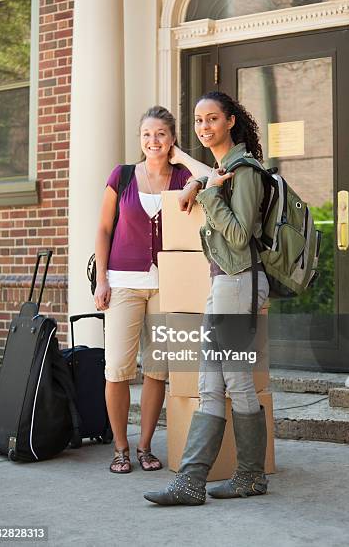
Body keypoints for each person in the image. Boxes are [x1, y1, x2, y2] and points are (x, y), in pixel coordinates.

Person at [144, 91, 270, 505]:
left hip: (239, 283)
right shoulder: (222, 169)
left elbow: (239, 234)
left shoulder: (245, 171)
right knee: (208, 382)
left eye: (212, 119)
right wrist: (200, 182)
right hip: (224, 284)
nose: (204, 127)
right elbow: (211, 185)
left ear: (230, 121)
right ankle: (191, 481)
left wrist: (207, 193)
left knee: (234, 380)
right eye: (199, 121)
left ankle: (250, 476)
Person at [94, 106, 193, 474]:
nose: (153, 141)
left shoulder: (185, 176)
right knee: (118, 368)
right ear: (140, 139)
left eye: (161, 135)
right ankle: (120, 447)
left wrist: (181, 157)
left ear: (172, 140)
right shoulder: (121, 176)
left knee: (158, 369)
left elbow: (216, 178)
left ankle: (146, 445)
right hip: (123, 284)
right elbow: (103, 230)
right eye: (147, 134)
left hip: (168, 286)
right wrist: (102, 279)